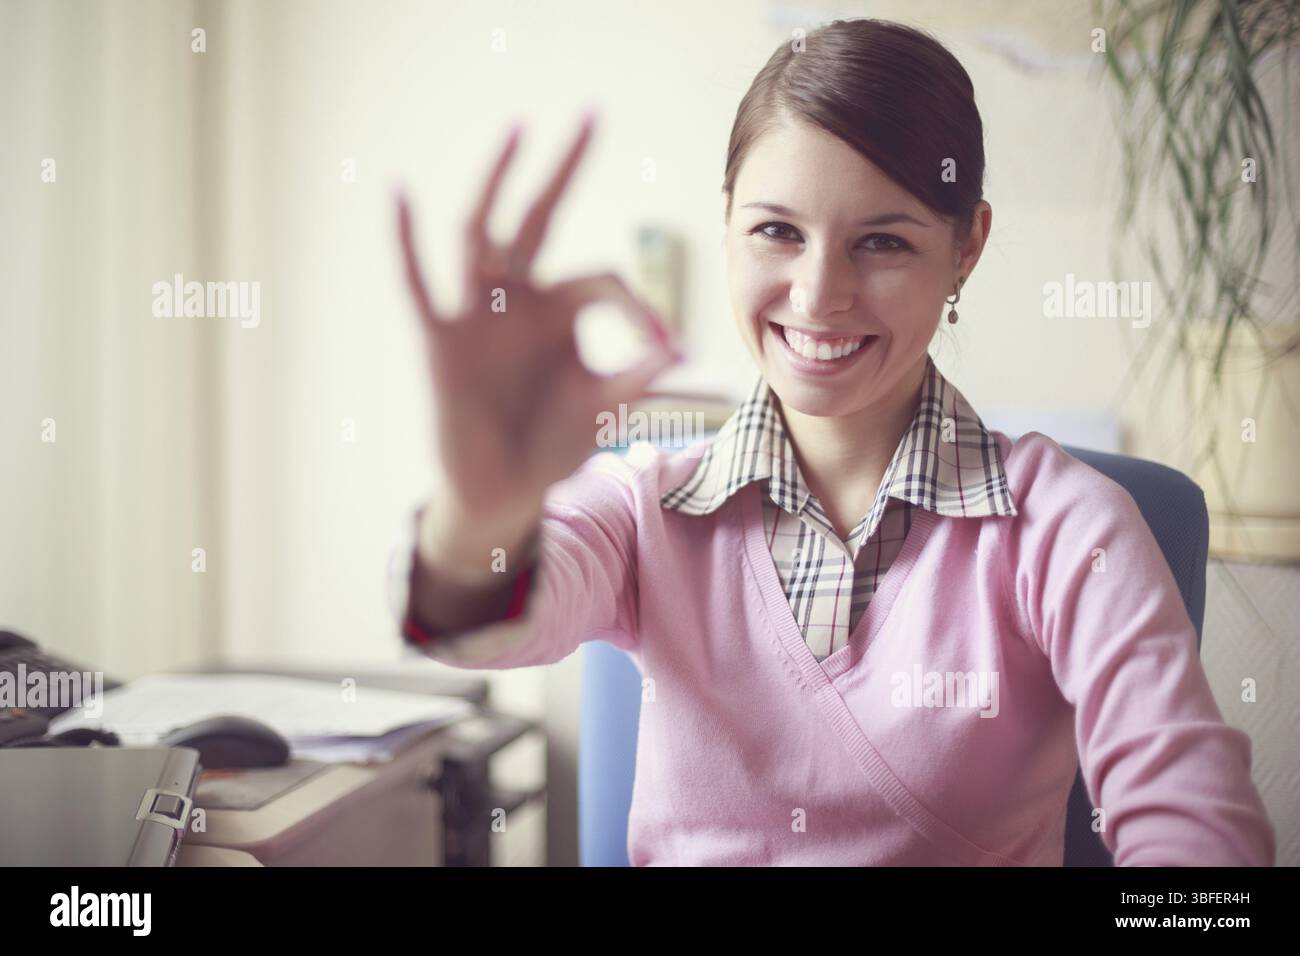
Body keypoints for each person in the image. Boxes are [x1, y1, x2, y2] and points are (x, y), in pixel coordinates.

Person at [388, 19, 1275, 866]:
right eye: (778, 231)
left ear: (966, 248)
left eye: (882, 242)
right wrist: (480, 509)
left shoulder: (1068, 529)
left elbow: (1204, 863)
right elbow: (473, 631)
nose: (818, 298)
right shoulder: (641, 507)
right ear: (728, 217)